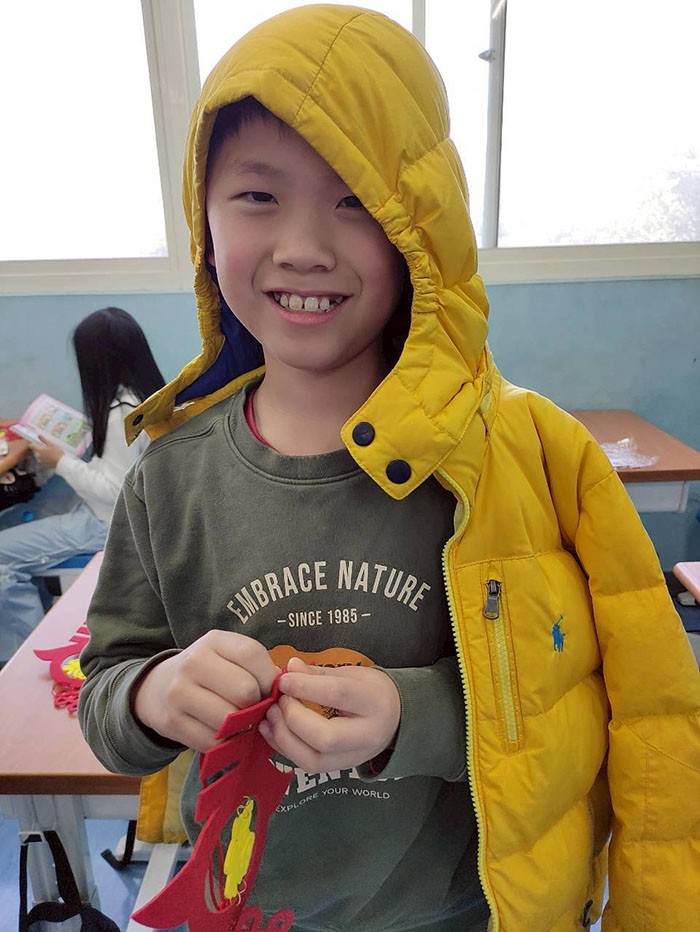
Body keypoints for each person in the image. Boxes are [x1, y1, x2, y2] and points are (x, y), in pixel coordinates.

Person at [78, 7, 700, 931]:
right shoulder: (167, 480)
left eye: (357, 200)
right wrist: (151, 694)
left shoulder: (504, 464)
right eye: (257, 195)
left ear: (423, 230)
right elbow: (106, 690)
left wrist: (414, 715)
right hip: (245, 911)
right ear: (203, 219)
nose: (303, 246)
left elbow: (584, 698)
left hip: (463, 913)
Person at [0, 307, 164, 661]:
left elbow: (115, 491)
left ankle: (22, 656)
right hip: (102, 513)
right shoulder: (145, 397)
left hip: (105, 523)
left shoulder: (121, 413)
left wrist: (59, 461)